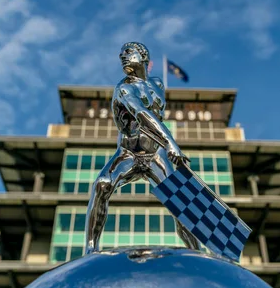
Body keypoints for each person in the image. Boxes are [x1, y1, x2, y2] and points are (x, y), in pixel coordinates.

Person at [84, 42, 200, 254]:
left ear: (143, 56)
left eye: (128, 53)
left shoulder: (158, 84)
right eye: (121, 54)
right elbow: (142, 115)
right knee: (102, 185)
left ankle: (198, 252)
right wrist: (171, 143)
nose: (122, 57)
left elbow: (156, 116)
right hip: (128, 154)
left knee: (180, 203)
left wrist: (165, 146)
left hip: (155, 155)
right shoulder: (124, 89)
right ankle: (91, 249)